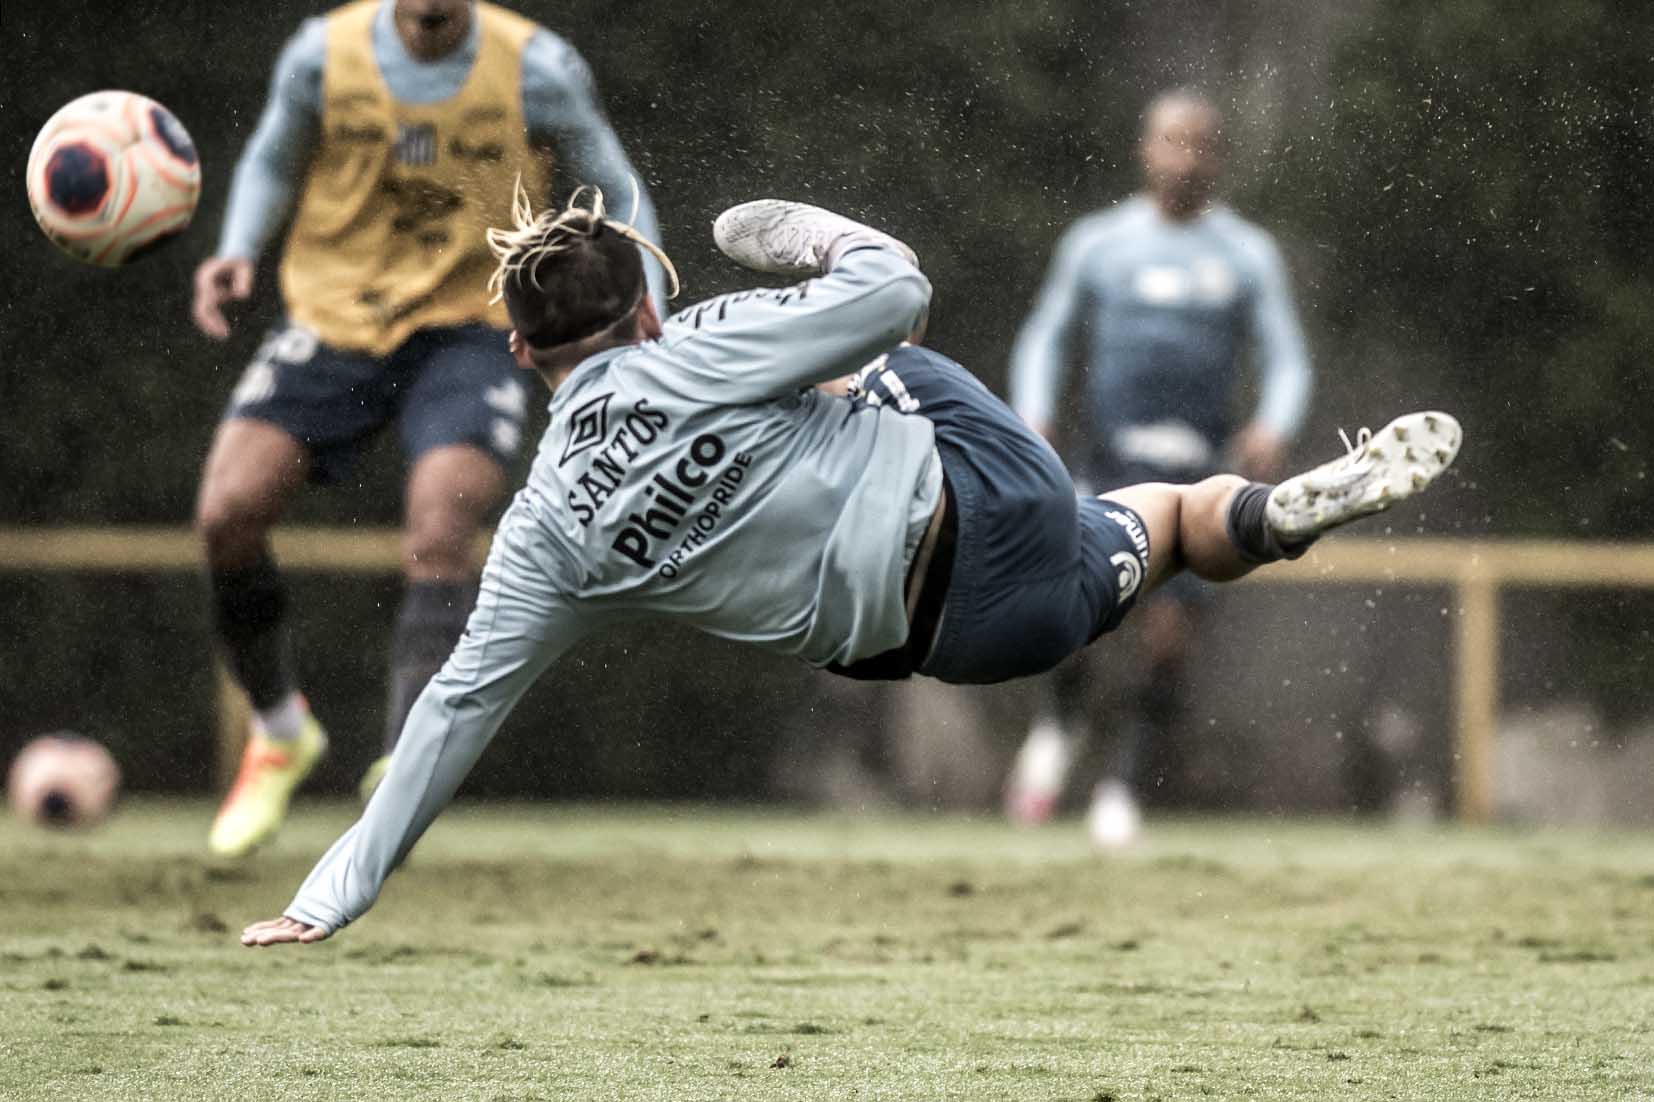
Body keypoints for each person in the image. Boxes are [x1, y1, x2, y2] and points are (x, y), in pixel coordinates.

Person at [239, 192, 1459, 945]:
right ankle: (1290, 509)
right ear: (647, 319)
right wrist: (809, 237)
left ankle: (1271, 517)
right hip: (990, 491)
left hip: (958, 645)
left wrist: (329, 891)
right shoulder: (697, 339)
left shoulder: (547, 529)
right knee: (1130, 479)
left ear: (519, 352)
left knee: (1148, 518)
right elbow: (904, 290)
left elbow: (453, 710)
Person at [192, 0, 664, 858]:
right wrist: (237, 247)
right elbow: (270, 153)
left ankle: (404, 775)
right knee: (226, 514)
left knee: (441, 529)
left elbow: (615, 184)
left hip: (474, 330)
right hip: (337, 318)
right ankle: (279, 729)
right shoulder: (322, 56)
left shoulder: (535, 66)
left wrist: (643, 309)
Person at [1003, 89, 1312, 845]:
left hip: (1198, 473)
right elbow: (1045, 335)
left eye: (1199, 144)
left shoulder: (1246, 253)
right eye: (1170, 142)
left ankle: (1124, 787)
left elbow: (1289, 358)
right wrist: (1032, 410)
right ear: (1146, 149)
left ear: (1218, 157)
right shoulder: (1099, 243)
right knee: (1080, 616)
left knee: (1169, 634)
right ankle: (1059, 725)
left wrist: (1275, 421)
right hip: (1106, 461)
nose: (1184, 157)